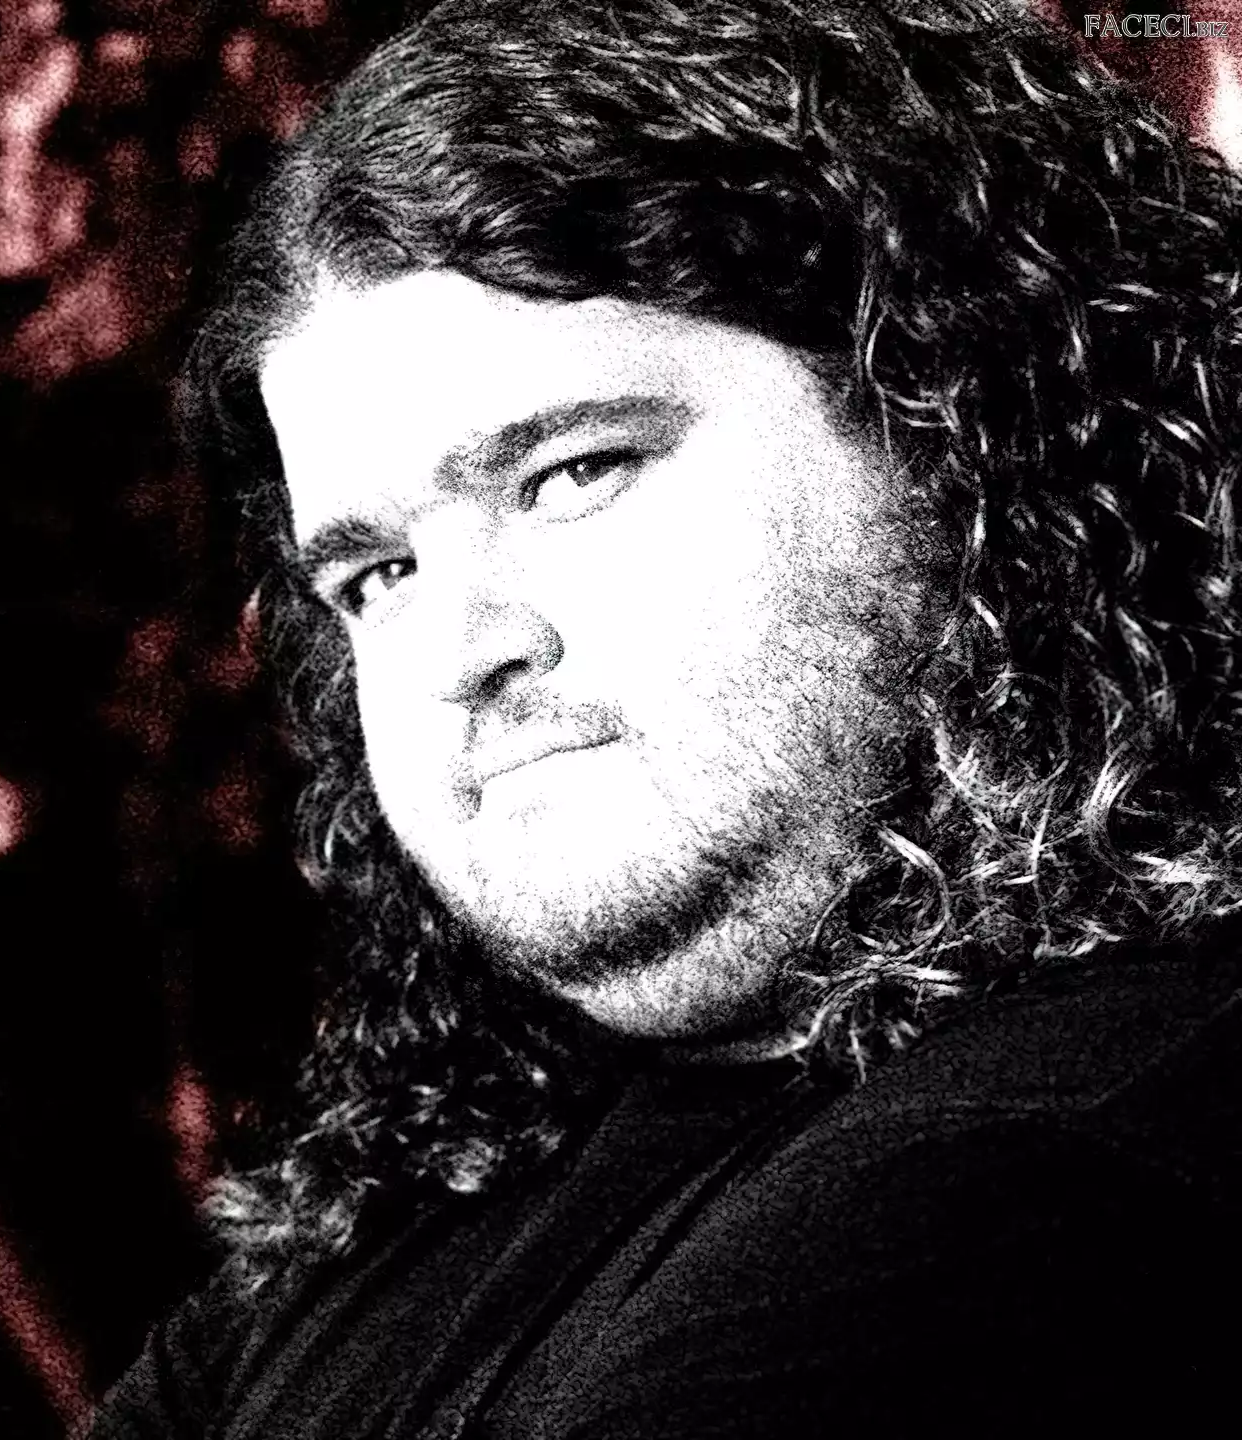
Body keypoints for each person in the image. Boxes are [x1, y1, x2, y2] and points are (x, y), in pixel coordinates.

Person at [91, 0, 1242, 1434]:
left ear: (959, 428)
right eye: (377, 574)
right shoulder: (392, 1226)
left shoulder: (1054, 1162)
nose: (460, 650)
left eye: (574, 475)